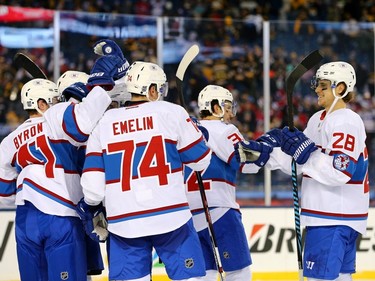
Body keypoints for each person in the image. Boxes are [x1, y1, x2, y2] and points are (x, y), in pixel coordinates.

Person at [77, 61, 212, 281]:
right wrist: (194, 132)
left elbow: (92, 191)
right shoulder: (172, 112)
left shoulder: (104, 122)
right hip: (172, 217)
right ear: (150, 90)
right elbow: (200, 160)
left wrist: (93, 208)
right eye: (158, 89)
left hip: (124, 223)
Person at [237, 61, 369, 281]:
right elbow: (298, 160)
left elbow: (341, 170)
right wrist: (262, 155)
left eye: (323, 85)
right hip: (329, 216)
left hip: (333, 217)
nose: (317, 89)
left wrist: (307, 154)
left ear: (341, 88)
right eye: (317, 84)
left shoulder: (346, 121)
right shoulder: (319, 119)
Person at [0, 53, 125, 281]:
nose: (60, 103)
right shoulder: (56, 116)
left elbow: (4, 191)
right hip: (61, 214)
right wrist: (101, 84)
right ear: (41, 104)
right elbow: (83, 122)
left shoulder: (11, 139)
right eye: (55, 100)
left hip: (24, 220)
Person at [184, 85, 273, 281]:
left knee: (204, 273)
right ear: (215, 107)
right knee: (238, 271)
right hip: (220, 210)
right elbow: (247, 163)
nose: (230, 112)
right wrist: (267, 147)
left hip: (190, 214)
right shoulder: (223, 129)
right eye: (226, 105)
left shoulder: (186, 131)